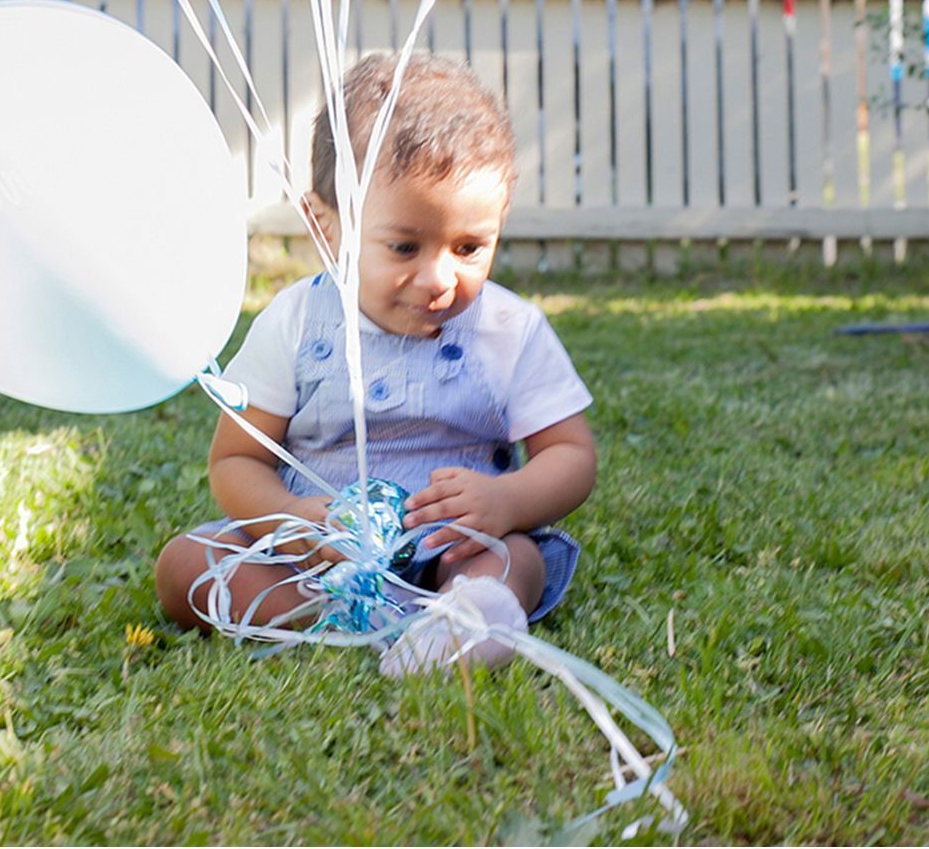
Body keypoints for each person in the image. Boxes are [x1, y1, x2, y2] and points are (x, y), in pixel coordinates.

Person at [154, 52, 598, 674]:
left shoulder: (508, 330)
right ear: (325, 225)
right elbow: (236, 460)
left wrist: (507, 501)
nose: (440, 278)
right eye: (404, 246)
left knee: (514, 558)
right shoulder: (295, 322)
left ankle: (468, 615)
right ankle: (341, 619)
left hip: (454, 551)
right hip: (316, 558)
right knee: (185, 564)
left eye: (471, 247)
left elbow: (573, 455)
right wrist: (297, 521)